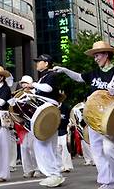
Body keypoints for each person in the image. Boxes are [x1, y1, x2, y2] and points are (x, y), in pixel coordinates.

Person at [55, 40, 114, 189]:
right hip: (94, 118)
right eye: (94, 56)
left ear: (106, 55)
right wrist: (64, 70)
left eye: (98, 55)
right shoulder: (93, 73)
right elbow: (78, 77)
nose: (95, 58)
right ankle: (107, 181)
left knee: (112, 150)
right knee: (97, 151)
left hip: (111, 117)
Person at [28, 54, 64, 187]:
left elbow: (48, 89)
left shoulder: (52, 75)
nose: (37, 64)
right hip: (45, 111)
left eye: (39, 61)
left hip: (48, 111)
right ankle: (52, 173)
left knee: (46, 145)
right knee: (43, 144)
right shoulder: (44, 77)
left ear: (46, 63)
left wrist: (34, 85)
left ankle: (54, 174)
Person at [17, 76, 38, 179]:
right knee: (24, 147)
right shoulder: (19, 95)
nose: (24, 85)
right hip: (23, 124)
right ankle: (28, 169)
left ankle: (37, 168)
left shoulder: (36, 93)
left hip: (34, 123)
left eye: (25, 83)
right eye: (22, 83)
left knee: (33, 147)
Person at [57, 103, 74, 174]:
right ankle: (60, 166)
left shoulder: (66, 107)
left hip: (65, 130)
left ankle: (67, 166)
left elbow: (71, 118)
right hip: (55, 132)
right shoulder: (52, 107)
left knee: (65, 147)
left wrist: (70, 125)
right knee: (57, 149)